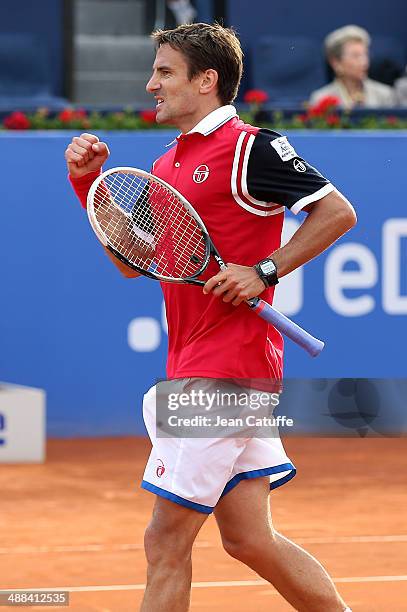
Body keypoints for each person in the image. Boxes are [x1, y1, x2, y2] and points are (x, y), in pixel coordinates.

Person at [65, 22, 356, 612]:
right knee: (251, 540)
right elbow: (134, 264)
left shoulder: (253, 147)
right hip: (208, 366)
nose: (151, 84)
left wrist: (265, 270)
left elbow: (337, 212)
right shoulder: (166, 163)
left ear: (206, 80)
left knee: (164, 540)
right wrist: (86, 184)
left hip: (222, 374)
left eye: (165, 72)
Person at [310, 25, 396, 109]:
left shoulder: (385, 95)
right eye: (356, 56)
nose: (364, 62)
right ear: (335, 62)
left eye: (365, 55)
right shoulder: (320, 99)